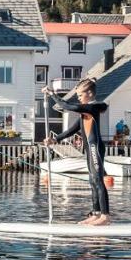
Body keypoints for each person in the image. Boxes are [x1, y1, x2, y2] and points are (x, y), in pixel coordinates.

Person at [46, 78, 111, 225]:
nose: (78, 98)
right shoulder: (85, 113)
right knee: (92, 181)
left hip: (95, 148)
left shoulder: (93, 108)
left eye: (80, 95)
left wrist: (52, 94)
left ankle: (105, 216)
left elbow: (67, 105)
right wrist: (55, 140)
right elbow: (72, 130)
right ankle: (96, 214)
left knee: (98, 180)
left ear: (89, 93)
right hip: (89, 149)